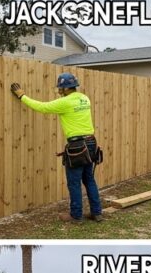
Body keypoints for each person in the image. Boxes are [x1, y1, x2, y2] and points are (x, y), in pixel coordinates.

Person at [11, 73, 102, 224]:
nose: (59, 91)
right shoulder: (84, 98)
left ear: (66, 88)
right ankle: (97, 213)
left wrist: (22, 96)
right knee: (89, 180)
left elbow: (42, 107)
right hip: (91, 143)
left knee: (74, 182)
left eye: (60, 88)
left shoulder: (65, 103)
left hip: (77, 145)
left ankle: (76, 215)